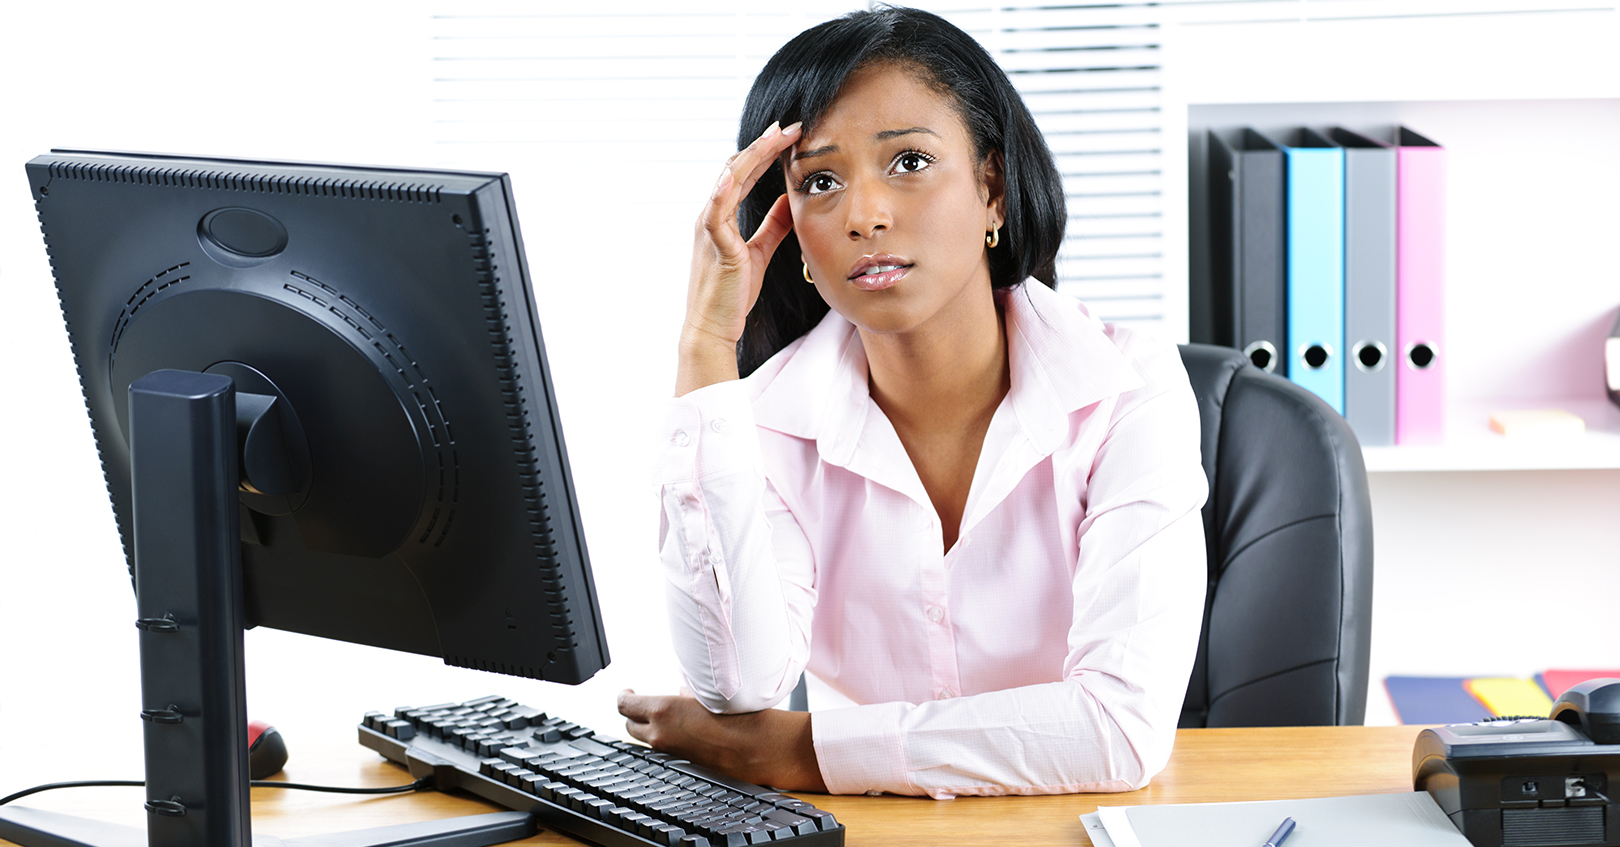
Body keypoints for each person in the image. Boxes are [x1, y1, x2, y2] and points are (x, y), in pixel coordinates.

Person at [617, 6, 1208, 799]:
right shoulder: (760, 419)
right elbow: (736, 686)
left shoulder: (1129, 390)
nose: (864, 214)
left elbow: (1118, 730)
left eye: (908, 163)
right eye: (820, 181)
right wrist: (704, 348)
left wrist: (799, 752)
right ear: (788, 231)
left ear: (991, 189)